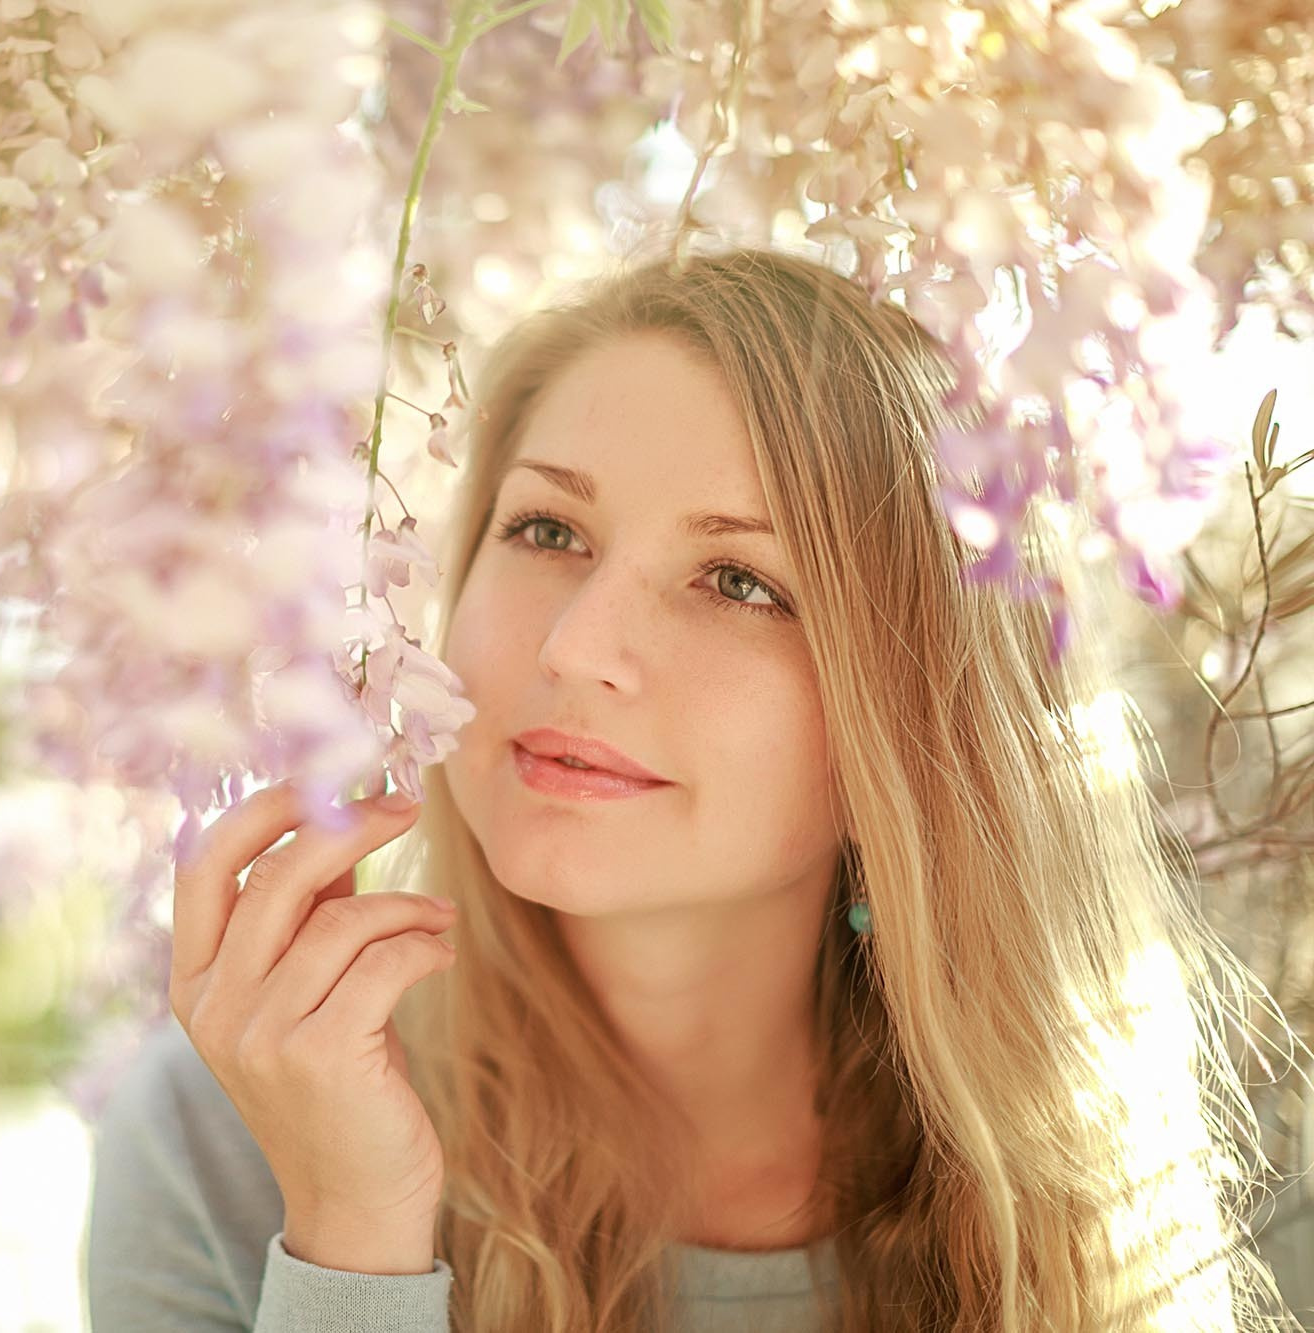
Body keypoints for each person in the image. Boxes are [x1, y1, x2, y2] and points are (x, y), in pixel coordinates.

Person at [85, 242, 1312, 1330]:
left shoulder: (1210, 1183)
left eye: (738, 582)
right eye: (546, 531)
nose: (573, 646)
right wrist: (351, 1237)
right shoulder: (228, 1142)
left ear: (921, 718)